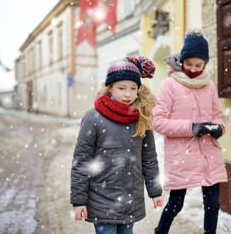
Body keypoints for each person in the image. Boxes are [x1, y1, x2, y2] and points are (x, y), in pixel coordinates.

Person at [70, 56, 164, 234]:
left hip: (130, 201)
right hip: (102, 200)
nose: (128, 94)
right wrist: (79, 201)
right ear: (109, 87)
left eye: (133, 88)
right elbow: (82, 161)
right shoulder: (93, 118)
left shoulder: (141, 117)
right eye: (121, 88)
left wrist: (155, 191)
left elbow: (149, 158)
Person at [153, 28, 228, 234]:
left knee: (213, 205)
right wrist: (191, 128)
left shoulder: (209, 85)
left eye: (199, 65)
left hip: (208, 154)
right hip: (181, 156)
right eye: (189, 64)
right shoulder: (170, 85)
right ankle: (160, 232)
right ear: (182, 61)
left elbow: (217, 115)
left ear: (205, 64)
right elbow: (158, 122)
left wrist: (218, 128)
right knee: (176, 204)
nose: (193, 69)